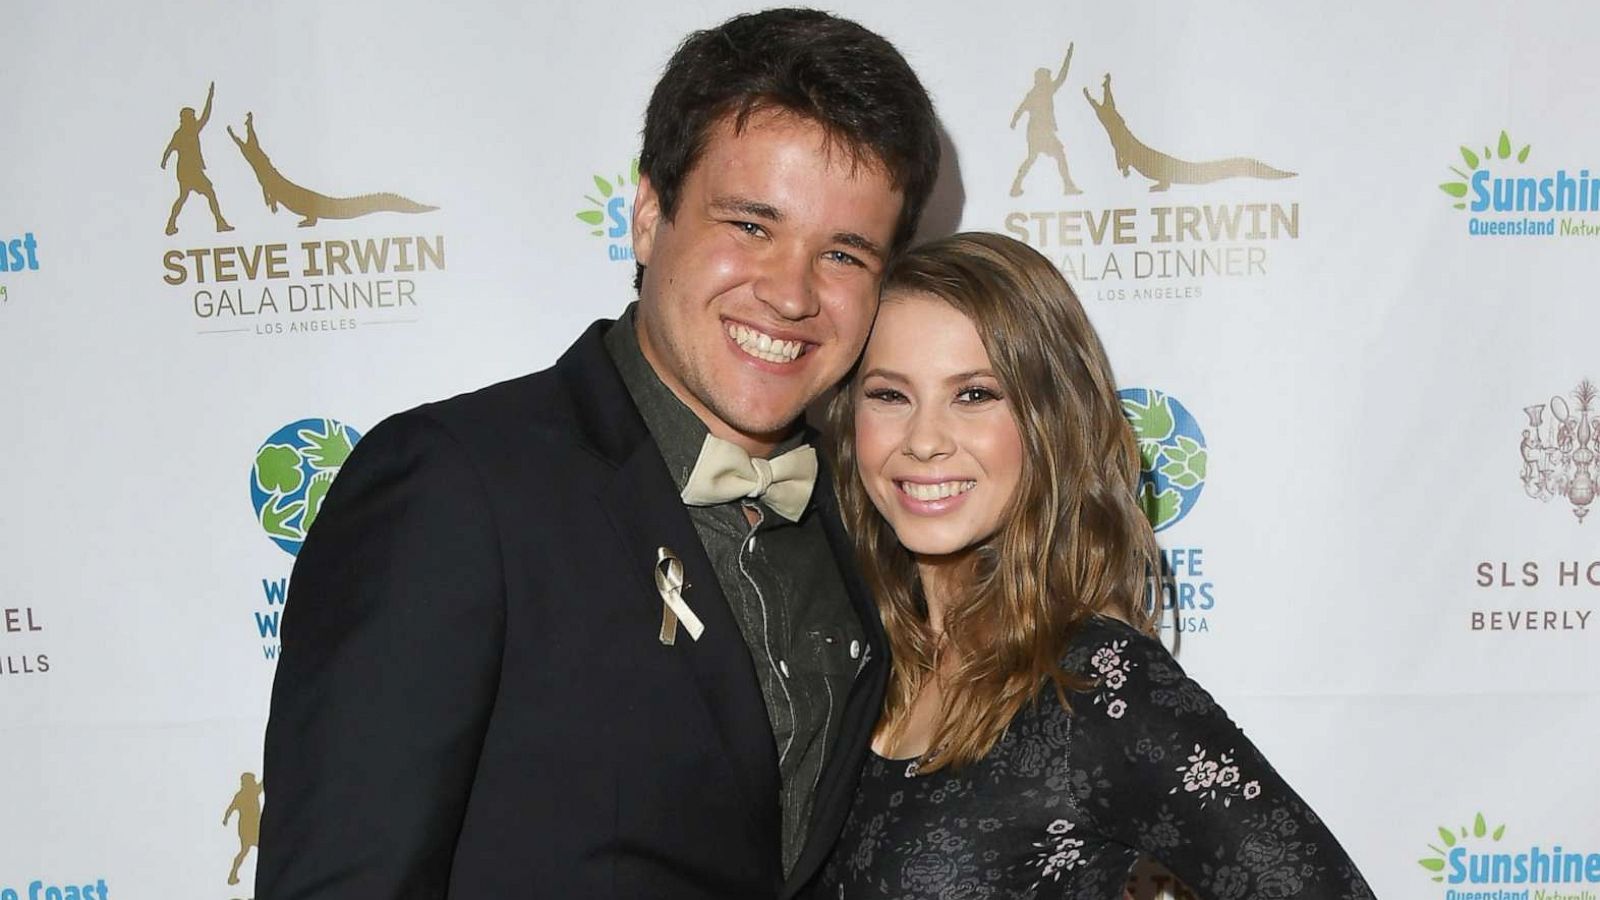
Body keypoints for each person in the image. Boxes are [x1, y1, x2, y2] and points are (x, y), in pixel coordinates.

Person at [256, 9, 939, 899]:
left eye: (844, 253)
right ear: (650, 216)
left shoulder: (866, 519)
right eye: (750, 226)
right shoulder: (455, 486)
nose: (791, 293)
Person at [815, 233, 1373, 898]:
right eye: (889, 395)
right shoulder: (843, 655)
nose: (925, 440)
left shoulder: (1096, 684)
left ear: (1050, 420)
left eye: (974, 395)